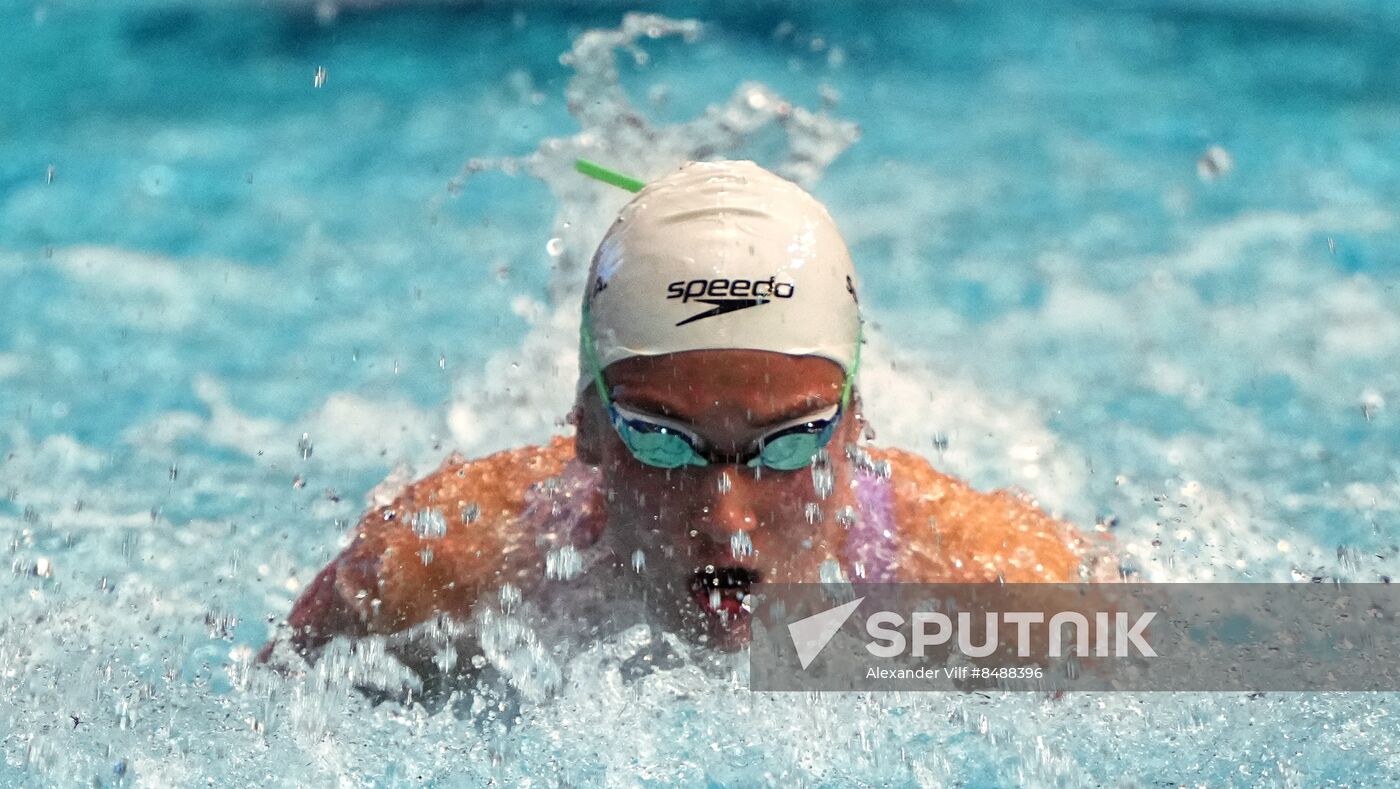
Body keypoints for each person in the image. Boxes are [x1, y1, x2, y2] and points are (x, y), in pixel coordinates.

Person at [264, 160, 1097, 669]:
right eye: (663, 442)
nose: (726, 518)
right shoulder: (438, 565)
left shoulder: (992, 584)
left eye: (789, 443)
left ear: (853, 425)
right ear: (585, 425)